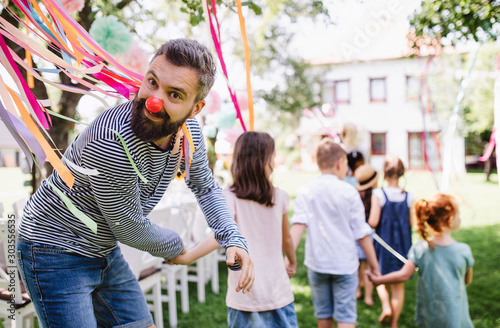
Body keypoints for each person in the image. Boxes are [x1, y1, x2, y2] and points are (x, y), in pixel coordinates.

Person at [16, 39, 254, 328]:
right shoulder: (111, 142)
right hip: (52, 250)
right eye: (152, 82)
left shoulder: (189, 133)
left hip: (102, 249)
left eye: (174, 95)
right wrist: (178, 250)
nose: (154, 100)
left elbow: (204, 186)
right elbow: (129, 227)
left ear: (195, 108)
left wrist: (232, 237)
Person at [171, 131, 298, 328]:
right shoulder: (279, 196)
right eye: (272, 157)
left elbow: (219, 237)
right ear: (266, 161)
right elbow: (287, 239)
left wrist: (188, 257)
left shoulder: (228, 196)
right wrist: (291, 259)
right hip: (277, 292)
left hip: (245, 295)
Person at [288, 138, 380, 328]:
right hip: (345, 265)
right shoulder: (349, 192)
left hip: (317, 263)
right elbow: (362, 233)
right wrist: (374, 265)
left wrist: (289, 259)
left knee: (324, 315)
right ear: (340, 163)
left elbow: (297, 225)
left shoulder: (306, 191)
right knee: (346, 317)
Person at [367, 193, 474, 328]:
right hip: (455, 315)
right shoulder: (463, 251)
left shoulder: (420, 248)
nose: (459, 218)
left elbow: (403, 275)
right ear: (450, 219)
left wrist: (378, 281)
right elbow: (467, 280)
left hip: (430, 315)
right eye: (458, 214)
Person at [367, 155, 414, 328]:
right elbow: (413, 223)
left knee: (380, 277)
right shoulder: (409, 196)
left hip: (383, 245)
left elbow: (373, 221)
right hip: (403, 245)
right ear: (401, 173)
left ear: (384, 174)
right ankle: (394, 323)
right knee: (398, 285)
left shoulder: (378, 194)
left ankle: (385, 306)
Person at [353, 164, 379, 306]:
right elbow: (374, 221)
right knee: (367, 268)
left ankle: (357, 291)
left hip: (354, 235)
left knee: (357, 266)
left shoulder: (354, 195)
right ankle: (368, 297)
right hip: (369, 237)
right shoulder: (375, 196)